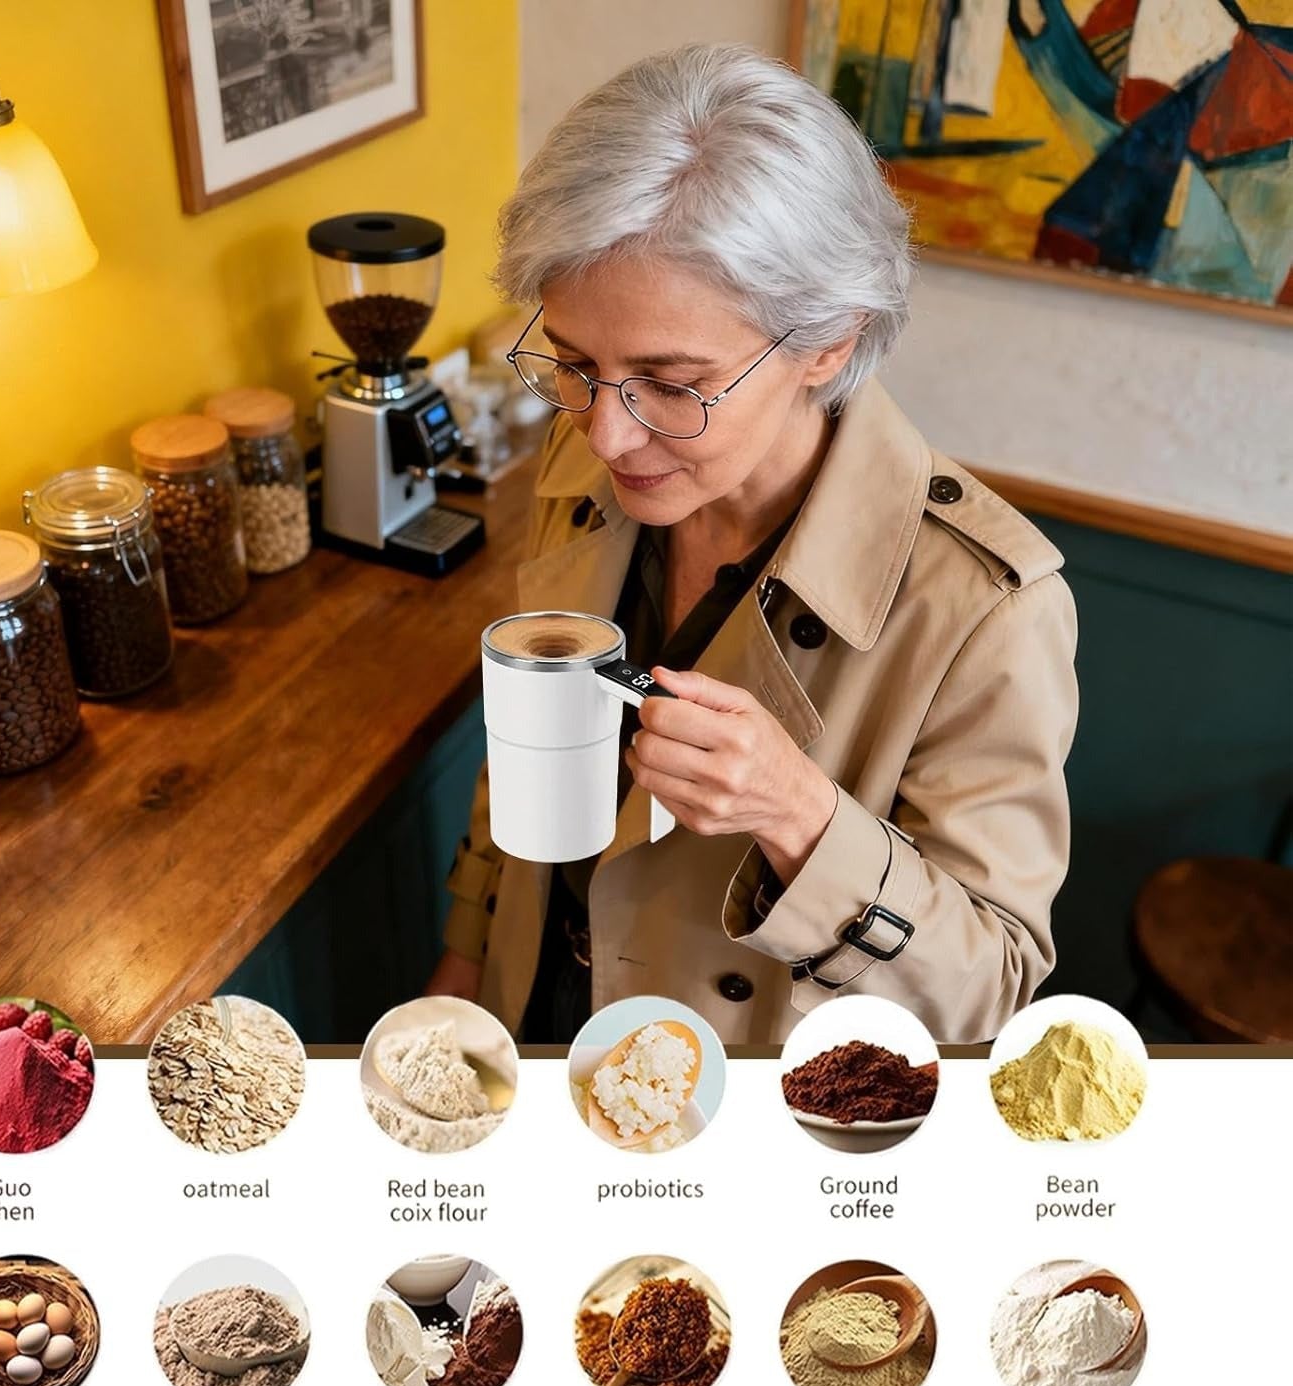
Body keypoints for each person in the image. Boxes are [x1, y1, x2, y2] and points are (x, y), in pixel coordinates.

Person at [425, 43, 1078, 1044]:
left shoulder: (985, 607)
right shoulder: (580, 468)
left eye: (674, 383)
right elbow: (524, 747)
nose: (606, 434)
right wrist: (468, 959)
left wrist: (800, 817)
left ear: (830, 340)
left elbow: (988, 989)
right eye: (572, 361)